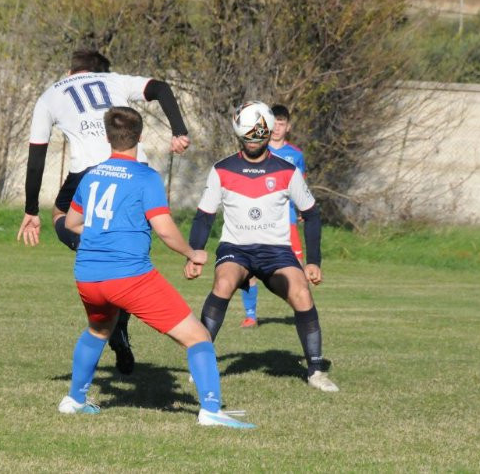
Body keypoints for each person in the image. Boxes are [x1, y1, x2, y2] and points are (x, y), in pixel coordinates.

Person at [58, 106, 254, 428]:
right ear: (140, 137)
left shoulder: (92, 175)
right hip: (129, 276)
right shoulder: (146, 177)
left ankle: (74, 400)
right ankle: (211, 410)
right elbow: (164, 229)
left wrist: (103, 233)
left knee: (98, 330)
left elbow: (71, 223)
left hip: (88, 275)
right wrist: (192, 253)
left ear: (107, 137)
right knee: (198, 337)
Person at [17, 48, 191, 375]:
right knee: (126, 253)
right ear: (101, 71)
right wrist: (179, 131)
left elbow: (36, 155)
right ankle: (120, 324)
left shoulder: (50, 94)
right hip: (135, 169)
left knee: (61, 216)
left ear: (71, 71)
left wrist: (31, 210)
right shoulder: (114, 80)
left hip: (89, 172)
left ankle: (96, 249)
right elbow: (161, 87)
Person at [186, 101, 339, 392]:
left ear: (268, 134)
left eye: (258, 136)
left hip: (276, 251)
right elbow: (204, 215)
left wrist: (313, 261)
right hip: (236, 248)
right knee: (224, 282)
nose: (253, 142)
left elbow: (312, 214)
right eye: (248, 137)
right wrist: (194, 253)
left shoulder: (287, 171)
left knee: (301, 293)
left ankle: (316, 372)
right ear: (238, 135)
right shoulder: (222, 169)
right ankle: (201, 364)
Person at [239, 104, 307, 328]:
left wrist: (302, 209)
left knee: (297, 268)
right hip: (258, 219)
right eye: (274, 124)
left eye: (281, 124)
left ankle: (302, 310)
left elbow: (301, 186)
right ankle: (250, 315)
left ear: (288, 127)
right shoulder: (257, 150)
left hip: (287, 221)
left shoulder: (296, 155)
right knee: (249, 266)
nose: (277, 128)